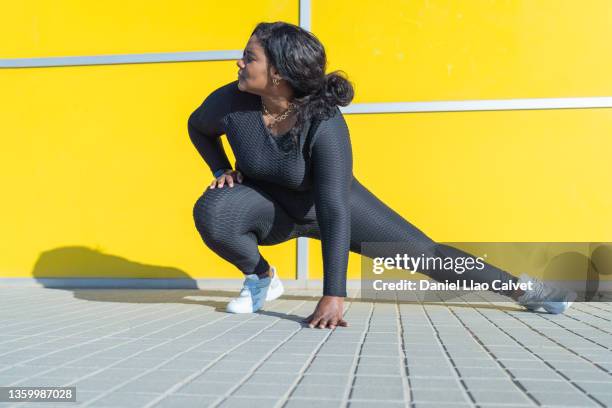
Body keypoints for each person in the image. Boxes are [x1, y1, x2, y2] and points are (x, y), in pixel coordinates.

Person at [188, 21, 577, 329]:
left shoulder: (325, 123)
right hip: (270, 208)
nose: (239, 63)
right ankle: (262, 278)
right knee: (215, 211)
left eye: (248, 57)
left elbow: (334, 208)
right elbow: (197, 127)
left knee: (430, 257)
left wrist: (333, 294)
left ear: (278, 73)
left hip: (333, 207)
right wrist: (221, 168)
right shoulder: (230, 102)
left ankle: (523, 289)